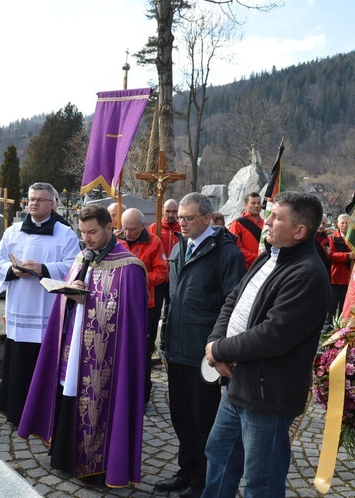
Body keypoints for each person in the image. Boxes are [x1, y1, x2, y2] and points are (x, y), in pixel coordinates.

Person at [202, 191, 330, 497]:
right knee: (219, 457)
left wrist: (219, 351)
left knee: (261, 479)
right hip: (239, 384)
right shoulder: (271, 254)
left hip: (268, 395)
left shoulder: (308, 274)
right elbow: (235, 300)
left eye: (276, 217)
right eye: (269, 214)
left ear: (300, 231)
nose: (267, 222)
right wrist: (216, 341)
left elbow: (273, 335)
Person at [17, 204, 148, 488]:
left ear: (109, 228)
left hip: (107, 356)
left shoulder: (129, 267)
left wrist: (86, 300)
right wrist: (68, 293)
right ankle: (64, 457)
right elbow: (68, 298)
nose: (86, 238)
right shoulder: (81, 257)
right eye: (83, 232)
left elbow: (129, 319)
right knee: (70, 392)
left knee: (100, 403)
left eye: (92, 232)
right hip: (74, 342)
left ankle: (99, 468)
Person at [157, 193, 246, 498]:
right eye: (179, 217)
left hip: (204, 352)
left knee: (203, 419)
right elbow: (173, 298)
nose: (180, 222)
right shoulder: (181, 247)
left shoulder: (226, 254)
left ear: (207, 218)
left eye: (188, 218)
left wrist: (220, 349)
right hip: (177, 347)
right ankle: (187, 470)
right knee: (181, 416)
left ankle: (204, 480)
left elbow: (233, 306)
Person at [0, 182, 79, 424]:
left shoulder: (65, 233)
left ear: (52, 204)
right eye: (31, 199)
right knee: (19, 359)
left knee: (44, 357)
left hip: (47, 307)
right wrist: (11, 269)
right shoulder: (13, 231)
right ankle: (15, 410)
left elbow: (74, 266)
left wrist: (43, 268)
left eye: (40, 199)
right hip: (20, 307)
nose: (34, 203)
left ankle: (43, 411)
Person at [119, 207, 168, 404]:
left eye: (132, 229)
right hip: (120, 303)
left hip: (144, 304)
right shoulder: (116, 241)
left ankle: (142, 397)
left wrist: (139, 280)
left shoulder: (154, 242)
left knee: (142, 350)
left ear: (142, 226)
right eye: (125, 229)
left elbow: (162, 272)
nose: (128, 233)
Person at [147, 198, 182, 373]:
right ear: (163, 211)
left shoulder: (180, 230)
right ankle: (152, 345)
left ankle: (165, 344)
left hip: (175, 278)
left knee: (171, 311)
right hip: (158, 278)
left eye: (174, 212)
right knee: (155, 312)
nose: (171, 215)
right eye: (168, 211)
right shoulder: (154, 228)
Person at [327, 213, 355, 320]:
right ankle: (327, 328)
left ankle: (341, 328)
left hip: (348, 278)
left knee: (345, 306)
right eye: (342, 223)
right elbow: (331, 255)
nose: (345, 225)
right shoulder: (331, 238)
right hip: (334, 277)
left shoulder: (354, 239)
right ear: (338, 224)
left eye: (347, 223)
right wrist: (348, 256)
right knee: (331, 306)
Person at [227, 192, 263, 269]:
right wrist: (256, 258)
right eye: (253, 203)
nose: (256, 206)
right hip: (244, 267)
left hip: (262, 265)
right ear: (246, 205)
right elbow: (235, 248)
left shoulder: (266, 223)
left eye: (258, 203)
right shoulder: (237, 224)